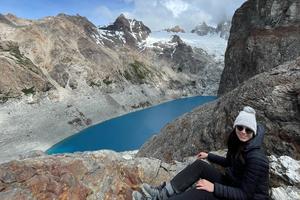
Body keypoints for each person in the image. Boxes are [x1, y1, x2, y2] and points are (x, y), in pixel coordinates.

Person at [132, 106, 269, 200]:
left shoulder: (256, 158)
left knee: (201, 190)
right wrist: (209, 156)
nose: (243, 132)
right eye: (240, 127)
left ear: (254, 132)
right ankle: (161, 195)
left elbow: (245, 195)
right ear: (235, 127)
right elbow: (229, 162)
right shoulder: (239, 142)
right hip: (232, 185)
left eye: (248, 130)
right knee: (199, 165)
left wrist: (214, 188)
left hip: (242, 196)